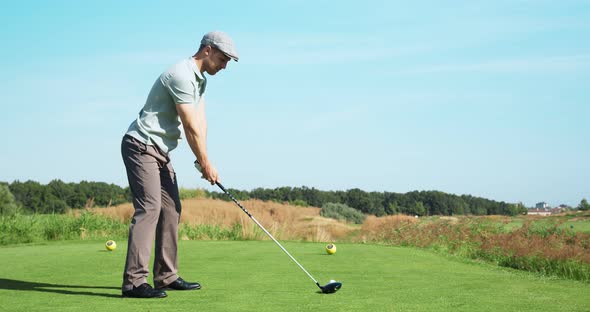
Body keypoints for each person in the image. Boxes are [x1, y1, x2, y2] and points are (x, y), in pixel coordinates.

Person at [120, 31, 239, 298]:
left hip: (160, 151)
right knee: (149, 209)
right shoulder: (181, 75)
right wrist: (206, 163)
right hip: (140, 145)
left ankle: (165, 276)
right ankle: (134, 283)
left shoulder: (200, 82)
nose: (224, 65)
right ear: (207, 50)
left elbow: (200, 123)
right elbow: (188, 125)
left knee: (172, 208)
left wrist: (203, 158)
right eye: (223, 59)